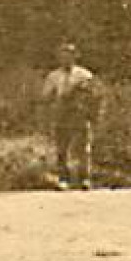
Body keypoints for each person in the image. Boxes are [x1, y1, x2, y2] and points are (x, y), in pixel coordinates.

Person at [42, 42, 99, 189]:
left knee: (83, 148)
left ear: (76, 56)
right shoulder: (53, 76)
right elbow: (46, 96)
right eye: (63, 56)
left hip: (79, 113)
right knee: (62, 148)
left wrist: (89, 109)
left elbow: (93, 95)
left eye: (69, 55)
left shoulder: (84, 74)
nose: (66, 59)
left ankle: (84, 178)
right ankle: (63, 179)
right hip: (62, 113)